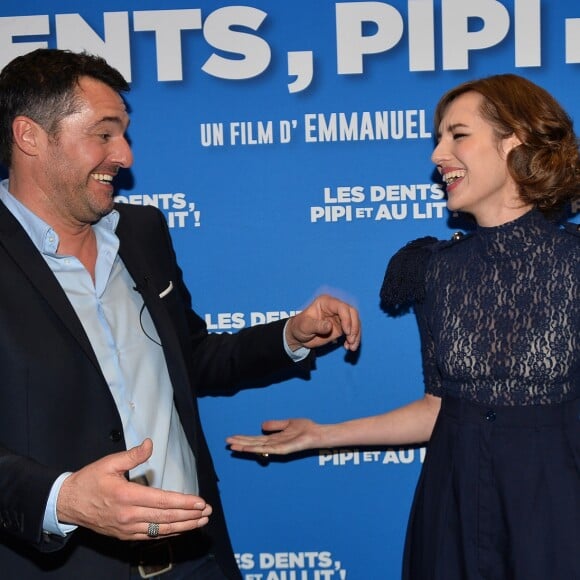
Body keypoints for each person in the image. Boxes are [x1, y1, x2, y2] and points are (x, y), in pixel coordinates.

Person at [0, 48, 361, 580]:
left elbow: (189, 359)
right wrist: (64, 500)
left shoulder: (142, 233)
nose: (124, 155)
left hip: (195, 560)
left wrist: (290, 335)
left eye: (123, 133)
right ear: (29, 136)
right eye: (103, 134)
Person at [227, 73, 580, 580]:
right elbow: (439, 408)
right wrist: (321, 436)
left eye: (458, 135)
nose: (438, 155)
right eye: (439, 138)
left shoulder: (573, 263)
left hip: (555, 506)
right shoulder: (435, 269)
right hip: (453, 502)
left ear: (515, 141)